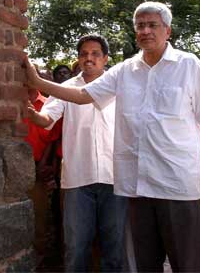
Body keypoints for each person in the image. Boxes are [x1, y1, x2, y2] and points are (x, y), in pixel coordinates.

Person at [25, 1, 200, 272]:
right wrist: (38, 82)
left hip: (177, 182)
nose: (145, 31)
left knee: (185, 262)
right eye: (140, 25)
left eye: (152, 25)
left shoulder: (188, 65)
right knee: (146, 261)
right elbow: (81, 95)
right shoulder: (125, 70)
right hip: (138, 184)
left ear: (168, 31)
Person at [28, 34, 127, 272]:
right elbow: (47, 119)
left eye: (95, 54)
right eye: (84, 54)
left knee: (113, 248)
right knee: (75, 247)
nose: (89, 58)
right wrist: (31, 113)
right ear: (78, 58)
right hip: (77, 180)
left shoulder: (119, 87)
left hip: (115, 178)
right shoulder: (66, 88)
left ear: (105, 59)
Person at [24, 88, 63, 268]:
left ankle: (39, 259)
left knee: (40, 215)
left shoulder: (49, 103)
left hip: (38, 166)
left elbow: (53, 138)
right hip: (15, 163)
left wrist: (44, 164)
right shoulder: (12, 101)